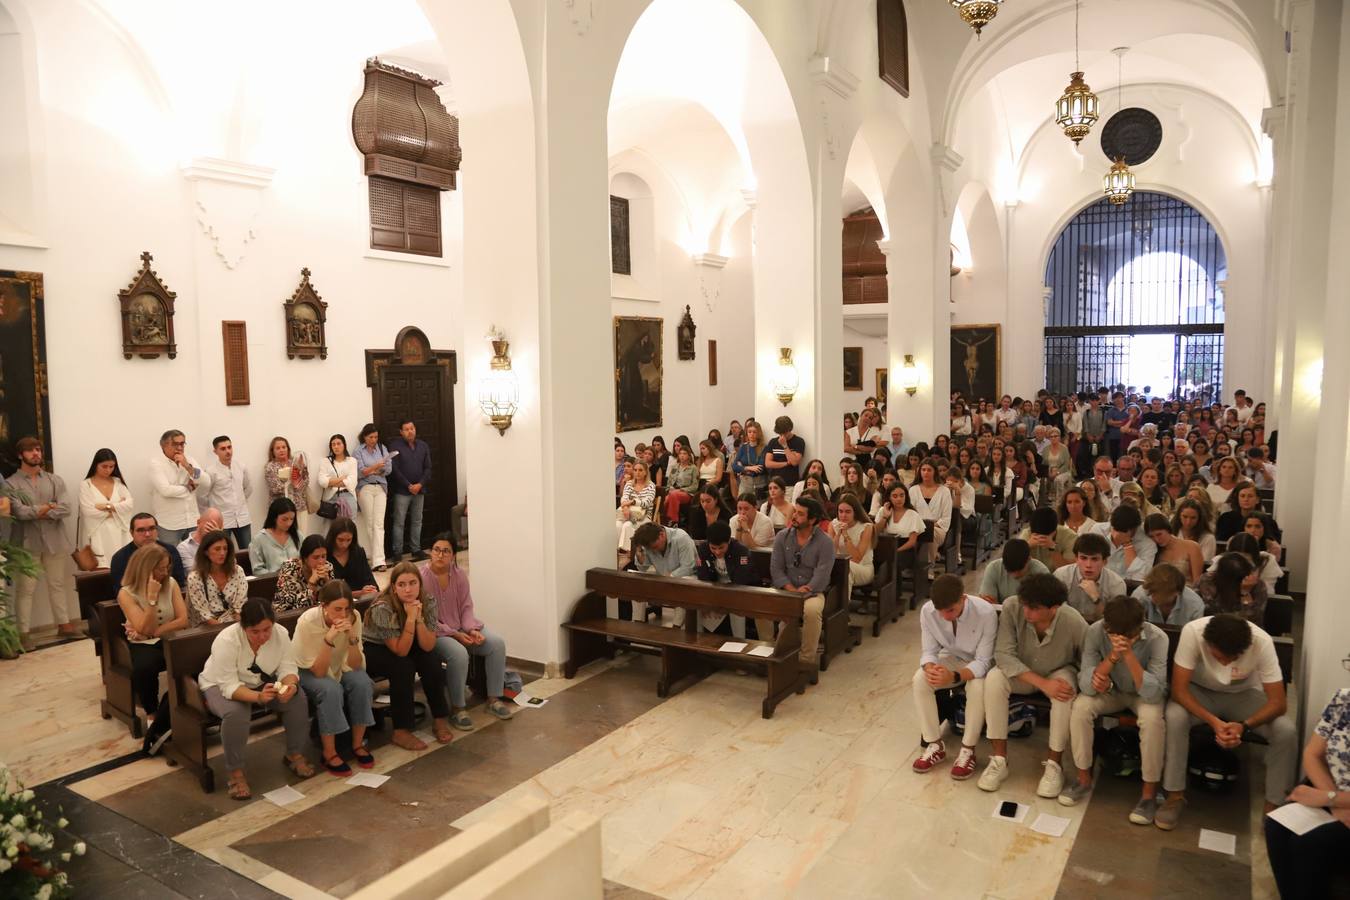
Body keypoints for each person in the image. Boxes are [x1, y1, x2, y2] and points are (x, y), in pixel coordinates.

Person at [1158, 614, 1296, 830]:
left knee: (1285, 730)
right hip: (1198, 692)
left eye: (1231, 659)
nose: (1224, 663)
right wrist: (1214, 722)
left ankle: (1273, 805)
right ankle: (1174, 795)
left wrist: (1244, 725)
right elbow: (1179, 690)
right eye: (1218, 657)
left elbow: (1278, 703)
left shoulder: (1262, 642)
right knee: (1175, 717)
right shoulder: (1193, 632)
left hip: (1243, 694)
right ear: (1209, 644)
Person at [979, 573, 1088, 797]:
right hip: (1021, 670)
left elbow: (1086, 662)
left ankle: (1054, 765)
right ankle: (999, 760)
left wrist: (1070, 682)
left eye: (1034, 608)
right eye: (1025, 605)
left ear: (1054, 607)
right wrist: (1041, 683)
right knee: (994, 678)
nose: (1026, 612)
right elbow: (1003, 654)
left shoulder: (1074, 621)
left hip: (1059, 669)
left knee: (1064, 689)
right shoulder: (1012, 607)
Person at [1061, 596, 1168, 819]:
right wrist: (1110, 659)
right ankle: (1083, 779)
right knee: (1081, 707)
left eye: (1128, 636)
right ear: (1106, 625)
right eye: (1114, 635)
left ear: (1140, 626)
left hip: (1142, 694)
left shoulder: (1158, 638)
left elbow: (1154, 692)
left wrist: (1128, 655)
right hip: (1112, 691)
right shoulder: (1095, 631)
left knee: (1152, 720)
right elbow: (1086, 685)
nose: (1120, 639)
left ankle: (1148, 795)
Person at [199, 597, 316, 798]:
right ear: (243, 626)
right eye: (255, 631)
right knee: (236, 713)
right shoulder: (227, 639)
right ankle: (235, 772)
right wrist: (259, 697)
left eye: (267, 629)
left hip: (258, 683)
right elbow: (228, 686)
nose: (263, 636)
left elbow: (288, 666)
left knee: (298, 699)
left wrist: (290, 686)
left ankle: (294, 753)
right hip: (218, 684)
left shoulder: (280, 633)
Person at [1263, 685, 1350, 898]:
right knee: (1276, 824)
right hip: (1337, 797)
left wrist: (1333, 799)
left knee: (1310, 843)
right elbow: (1312, 753)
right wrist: (1332, 800)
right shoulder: (1344, 698)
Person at [421, 533, 514, 728]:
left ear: (453, 555)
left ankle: (493, 699)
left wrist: (471, 629)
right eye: (437, 550)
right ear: (430, 552)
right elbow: (428, 619)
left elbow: (466, 607)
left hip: (462, 627)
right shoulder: (423, 578)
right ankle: (458, 708)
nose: (440, 555)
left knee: (496, 644)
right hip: (436, 633)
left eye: (446, 551)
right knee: (458, 654)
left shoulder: (459, 575)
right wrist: (454, 634)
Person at [912, 575, 997, 780]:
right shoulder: (927, 611)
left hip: (978, 664)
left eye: (950, 610)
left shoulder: (985, 613)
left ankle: (968, 749)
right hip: (950, 657)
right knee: (920, 679)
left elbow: (984, 661)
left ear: (963, 598)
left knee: (976, 688)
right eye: (940, 611)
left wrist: (954, 676)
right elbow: (929, 651)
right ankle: (935, 744)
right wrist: (932, 668)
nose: (945, 616)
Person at [362, 562, 455, 749]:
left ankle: (439, 718)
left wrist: (418, 618)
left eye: (413, 583)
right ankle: (401, 730)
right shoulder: (383, 607)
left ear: (420, 584)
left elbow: (428, 646)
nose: (408, 589)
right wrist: (411, 618)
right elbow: (400, 650)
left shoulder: (427, 601)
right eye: (402, 584)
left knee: (432, 661)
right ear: (394, 588)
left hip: (409, 639)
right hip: (377, 647)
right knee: (402, 667)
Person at [292, 580, 376, 776]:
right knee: (330, 689)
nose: (343, 614)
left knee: (362, 682)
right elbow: (319, 671)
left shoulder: (353, 617)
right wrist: (329, 639)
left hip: (339, 665)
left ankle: (357, 744)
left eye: (346, 608)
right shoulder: (308, 621)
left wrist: (351, 637)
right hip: (307, 670)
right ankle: (329, 753)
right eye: (337, 609)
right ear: (324, 606)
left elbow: (355, 664)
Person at [118, 543, 189, 755]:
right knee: (145, 667)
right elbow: (141, 628)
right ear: (145, 568)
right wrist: (150, 598)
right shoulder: (126, 593)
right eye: (160, 568)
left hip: (169, 638)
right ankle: (151, 712)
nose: (165, 572)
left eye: (167, 567)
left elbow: (183, 619)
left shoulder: (172, 583)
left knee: (192, 658)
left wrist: (155, 632)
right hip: (142, 644)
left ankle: (185, 706)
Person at [6, 437, 77, 646]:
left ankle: (64, 625)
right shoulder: (11, 483)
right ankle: (23, 634)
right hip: (27, 544)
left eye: (38, 449)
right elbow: (20, 512)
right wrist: (47, 507)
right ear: (21, 455)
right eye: (30, 451)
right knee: (25, 589)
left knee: (57, 584)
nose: (35, 453)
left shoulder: (55, 480)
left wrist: (38, 511)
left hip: (55, 541)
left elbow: (66, 508)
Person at [767, 497, 833, 672]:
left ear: (812, 520)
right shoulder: (782, 537)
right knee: (761, 603)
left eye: (800, 514)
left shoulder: (825, 542)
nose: (794, 516)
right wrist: (791, 590)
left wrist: (807, 589)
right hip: (786, 589)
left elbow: (822, 573)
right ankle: (770, 653)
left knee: (811, 611)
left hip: (812, 591)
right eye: (795, 511)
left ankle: (806, 660)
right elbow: (776, 569)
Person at [148, 429, 208, 545]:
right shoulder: (156, 464)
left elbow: (206, 481)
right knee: (170, 559)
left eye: (182, 444)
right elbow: (166, 490)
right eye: (175, 444)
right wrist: (188, 488)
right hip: (169, 523)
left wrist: (187, 466)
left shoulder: (189, 460)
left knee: (196, 557)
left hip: (192, 520)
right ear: (163, 445)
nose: (180, 448)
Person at [1052, 532, 1126, 624]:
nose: (1088, 565)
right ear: (1076, 558)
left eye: (1094, 559)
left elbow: (1114, 622)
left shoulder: (1116, 584)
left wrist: (1096, 599)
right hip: (1068, 625)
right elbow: (1053, 613)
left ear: (1105, 561)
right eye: (1083, 558)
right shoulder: (1061, 576)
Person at [78, 448, 134, 566]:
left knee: (123, 565)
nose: (108, 470)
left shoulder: (118, 482)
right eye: (104, 466)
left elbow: (129, 504)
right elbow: (88, 511)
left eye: (111, 466)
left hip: (120, 532)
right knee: (101, 569)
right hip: (98, 533)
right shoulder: (86, 485)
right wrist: (117, 508)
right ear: (96, 465)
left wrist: (105, 506)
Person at [108, 513, 187, 593]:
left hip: (169, 596)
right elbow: (121, 591)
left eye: (152, 528)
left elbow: (179, 583)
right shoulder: (120, 558)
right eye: (141, 530)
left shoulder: (170, 550)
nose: (147, 534)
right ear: (132, 533)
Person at [185, 530, 249, 626]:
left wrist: (237, 628)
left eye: (225, 548)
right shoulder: (195, 577)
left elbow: (240, 607)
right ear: (206, 552)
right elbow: (204, 615)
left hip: (234, 623)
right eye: (217, 549)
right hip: (206, 628)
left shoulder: (237, 571)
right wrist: (223, 631)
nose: (222, 553)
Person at [353, 424, 394, 571]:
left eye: (376, 437)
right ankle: (377, 560)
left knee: (379, 524)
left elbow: (388, 469)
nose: (374, 440)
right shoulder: (358, 451)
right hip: (365, 488)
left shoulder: (382, 448)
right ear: (364, 437)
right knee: (370, 524)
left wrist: (373, 470)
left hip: (381, 487)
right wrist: (376, 467)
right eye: (371, 437)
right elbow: (360, 472)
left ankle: (379, 560)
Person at [201, 436, 253, 549]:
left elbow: (248, 488)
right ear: (215, 451)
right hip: (222, 521)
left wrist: (240, 502)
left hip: (242, 517)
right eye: (223, 449)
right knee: (224, 552)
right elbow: (203, 496)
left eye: (229, 447)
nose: (228, 451)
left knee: (249, 551)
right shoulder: (211, 471)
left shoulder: (241, 466)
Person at [909, 460, 953, 579]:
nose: (926, 473)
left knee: (930, 533)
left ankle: (929, 568)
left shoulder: (944, 491)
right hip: (916, 527)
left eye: (929, 470)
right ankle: (910, 566)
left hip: (938, 529)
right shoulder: (913, 490)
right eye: (923, 470)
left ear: (934, 472)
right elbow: (910, 513)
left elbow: (946, 518)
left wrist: (930, 524)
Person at [1197, 551, 1267, 624]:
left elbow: (1252, 621)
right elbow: (1211, 614)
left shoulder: (1257, 585)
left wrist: (1245, 593)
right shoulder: (1208, 581)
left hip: (1247, 630)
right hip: (1214, 626)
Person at [263, 436, 312, 537]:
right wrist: (291, 482)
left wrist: (302, 471)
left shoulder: (296, 463)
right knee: (283, 538)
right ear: (273, 451)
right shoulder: (270, 467)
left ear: (288, 449)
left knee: (301, 537)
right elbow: (275, 488)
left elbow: (306, 482)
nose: (281, 450)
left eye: (284, 447)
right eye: (278, 448)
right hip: (281, 510)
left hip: (299, 507)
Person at [1094, 505, 1157, 581]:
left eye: (1124, 531)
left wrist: (1127, 544)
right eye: (1116, 529)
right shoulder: (1097, 531)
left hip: (1129, 587)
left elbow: (1142, 576)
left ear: (1136, 528)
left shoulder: (1147, 543)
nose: (1118, 535)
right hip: (1099, 581)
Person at [977, 538, 1048, 604]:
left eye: (1019, 570)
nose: (1015, 575)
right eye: (1009, 570)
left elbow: (1045, 606)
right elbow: (988, 602)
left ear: (1029, 559)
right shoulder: (994, 568)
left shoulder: (1041, 572)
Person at [1133, 563, 1205, 626]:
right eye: (1151, 591)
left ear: (1176, 592)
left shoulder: (1195, 606)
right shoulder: (1140, 595)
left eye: (1157, 592)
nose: (1151, 596)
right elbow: (1130, 629)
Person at [274, 534, 331, 612]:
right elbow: (295, 608)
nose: (321, 562)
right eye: (315, 557)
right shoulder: (289, 569)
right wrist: (311, 584)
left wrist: (328, 582)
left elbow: (334, 600)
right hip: (286, 615)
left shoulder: (328, 567)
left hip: (318, 613)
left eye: (323, 556)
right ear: (305, 558)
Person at [325, 517, 379, 598]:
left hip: (361, 600)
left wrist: (370, 589)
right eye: (340, 540)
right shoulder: (325, 555)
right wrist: (359, 593)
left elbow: (369, 578)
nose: (344, 545)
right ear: (333, 537)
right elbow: (327, 592)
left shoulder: (358, 552)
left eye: (348, 540)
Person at [1144, 513, 1204, 585]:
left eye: (1159, 534)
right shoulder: (1154, 552)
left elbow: (1197, 582)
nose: (1156, 539)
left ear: (1167, 529)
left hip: (1188, 591)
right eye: (1151, 536)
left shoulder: (1192, 547)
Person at [830, 495, 874, 590]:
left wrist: (845, 534)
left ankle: (843, 604)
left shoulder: (866, 527)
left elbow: (856, 558)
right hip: (839, 566)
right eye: (840, 511)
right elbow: (830, 553)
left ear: (855, 512)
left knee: (846, 569)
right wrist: (838, 535)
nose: (843, 515)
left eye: (848, 512)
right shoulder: (833, 524)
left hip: (863, 567)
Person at [252, 498, 301, 576]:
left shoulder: (297, 535)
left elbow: (306, 558)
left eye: (292, 519)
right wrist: (278, 575)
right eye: (284, 519)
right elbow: (257, 570)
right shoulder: (259, 539)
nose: (289, 523)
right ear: (274, 517)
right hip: (273, 583)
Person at [318, 433, 359, 522]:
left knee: (349, 526)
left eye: (339, 444)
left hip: (348, 495)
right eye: (333, 444)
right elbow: (322, 482)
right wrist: (341, 479)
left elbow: (352, 482)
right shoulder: (325, 461)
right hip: (330, 498)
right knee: (329, 529)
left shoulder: (352, 461)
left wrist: (330, 482)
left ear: (344, 445)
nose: (336, 447)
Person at [176, 507, 224, 572]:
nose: (212, 531)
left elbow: (231, 565)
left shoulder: (222, 544)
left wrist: (219, 538)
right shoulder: (184, 547)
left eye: (215, 529)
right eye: (209, 526)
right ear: (198, 522)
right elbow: (194, 573)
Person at [762, 415, 805, 487]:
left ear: (790, 429)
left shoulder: (799, 441)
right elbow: (768, 463)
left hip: (790, 484)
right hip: (774, 484)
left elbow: (794, 462)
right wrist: (787, 463)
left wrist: (785, 446)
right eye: (780, 433)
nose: (782, 435)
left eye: (784, 433)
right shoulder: (773, 442)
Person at [1172, 498, 1217, 563]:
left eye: (1193, 518)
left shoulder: (1208, 538)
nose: (1188, 522)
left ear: (1199, 518)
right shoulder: (1172, 533)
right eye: (1185, 517)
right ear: (1179, 516)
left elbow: (1204, 564)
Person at [664, 444, 699, 524]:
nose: (682, 456)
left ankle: (673, 521)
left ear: (689, 456)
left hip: (687, 493)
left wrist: (681, 490)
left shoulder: (693, 468)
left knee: (673, 495)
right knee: (665, 499)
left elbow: (695, 486)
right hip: (673, 491)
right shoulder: (675, 467)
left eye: (684, 454)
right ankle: (664, 521)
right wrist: (669, 489)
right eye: (680, 454)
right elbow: (669, 482)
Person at [732, 421, 768, 499]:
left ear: (758, 433)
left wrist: (742, 468)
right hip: (745, 483)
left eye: (754, 432)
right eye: (749, 432)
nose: (752, 434)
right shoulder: (743, 447)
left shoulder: (764, 447)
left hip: (759, 484)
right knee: (742, 505)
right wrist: (748, 468)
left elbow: (759, 469)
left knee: (758, 508)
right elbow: (734, 466)